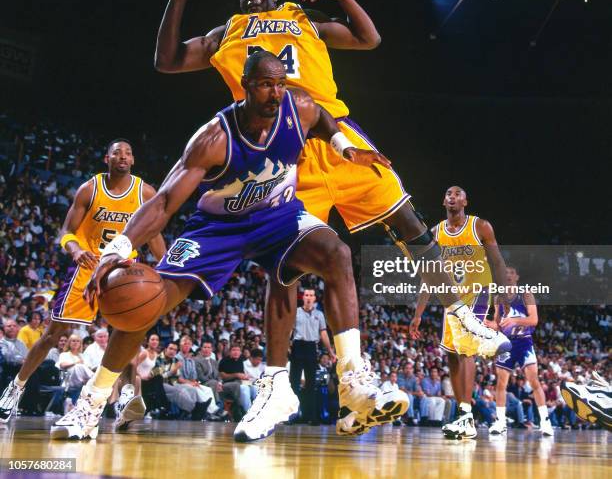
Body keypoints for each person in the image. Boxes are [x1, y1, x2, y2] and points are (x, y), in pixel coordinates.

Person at [153, 0, 510, 437]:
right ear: (239, 1)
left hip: (337, 132)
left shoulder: (304, 18)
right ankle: (277, 387)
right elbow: (167, 61)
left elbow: (369, 38)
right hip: (283, 151)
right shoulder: (225, 34)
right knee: (285, 268)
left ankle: (461, 315)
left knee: (408, 222)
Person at [49, 51, 408, 441]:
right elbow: (165, 202)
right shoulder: (214, 139)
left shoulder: (298, 108)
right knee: (144, 301)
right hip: (217, 229)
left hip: (278, 216)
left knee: (337, 253)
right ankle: (92, 403)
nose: (276, 93)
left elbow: (323, 116)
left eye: (280, 84)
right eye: (267, 85)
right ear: (247, 85)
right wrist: (116, 251)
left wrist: (343, 147)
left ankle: (352, 379)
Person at [0, 139, 166, 425]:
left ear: (133, 160)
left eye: (127, 153)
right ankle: (16, 386)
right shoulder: (90, 188)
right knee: (52, 335)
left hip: (124, 270)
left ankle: (125, 394)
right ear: (107, 158)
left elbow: (153, 234)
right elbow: (66, 230)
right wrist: (75, 249)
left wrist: (166, 270)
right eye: (117, 152)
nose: (122, 156)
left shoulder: (144, 192)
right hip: (88, 267)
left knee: (127, 334)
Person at [410, 186, 508, 439]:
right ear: (444, 201)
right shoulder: (437, 233)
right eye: (448, 193)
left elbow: (497, 261)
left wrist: (503, 295)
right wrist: (418, 313)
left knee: (465, 348)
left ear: (466, 200)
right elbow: (429, 275)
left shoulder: (480, 226)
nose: (452, 196)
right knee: (452, 355)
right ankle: (463, 416)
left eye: (457, 193)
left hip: (477, 292)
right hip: (450, 298)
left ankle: (466, 414)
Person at [488, 267, 554, 437]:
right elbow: (498, 324)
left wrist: (514, 319)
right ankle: (500, 422)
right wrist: (484, 323)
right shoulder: (498, 298)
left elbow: (534, 320)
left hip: (524, 342)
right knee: (501, 383)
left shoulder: (526, 295)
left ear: (517, 277)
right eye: (505, 273)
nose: (508, 275)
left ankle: (545, 422)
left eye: (511, 273)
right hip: (506, 344)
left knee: (534, 381)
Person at [289, 288, 335, 424]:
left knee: (311, 384)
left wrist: (331, 351)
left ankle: (310, 416)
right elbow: (289, 330)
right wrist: (287, 345)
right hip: (297, 346)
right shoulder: (296, 312)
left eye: (311, 295)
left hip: (311, 348)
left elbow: (324, 333)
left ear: (315, 298)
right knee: (294, 383)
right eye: (306, 295)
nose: (309, 297)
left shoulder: (319, 314)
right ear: (303, 297)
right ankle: (292, 416)